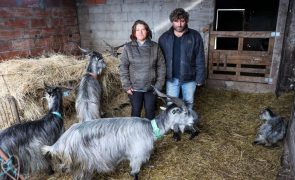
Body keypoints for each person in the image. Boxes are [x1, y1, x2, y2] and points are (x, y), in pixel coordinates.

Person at [158, 8, 205, 110]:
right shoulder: (164, 38)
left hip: (189, 78)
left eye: (182, 21)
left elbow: (200, 58)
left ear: (186, 21)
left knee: (188, 103)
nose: (179, 24)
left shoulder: (195, 36)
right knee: (171, 104)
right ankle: (173, 125)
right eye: (176, 21)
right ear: (172, 21)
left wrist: (200, 78)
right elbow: (160, 61)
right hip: (171, 78)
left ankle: (186, 125)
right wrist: (160, 78)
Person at [119, 20, 166, 120]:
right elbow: (123, 67)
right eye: (137, 30)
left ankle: (151, 133)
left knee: (150, 111)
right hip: (135, 88)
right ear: (134, 33)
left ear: (147, 31)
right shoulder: (128, 47)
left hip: (151, 88)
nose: (140, 32)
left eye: (143, 29)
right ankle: (134, 133)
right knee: (136, 111)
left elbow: (161, 67)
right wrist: (126, 85)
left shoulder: (155, 47)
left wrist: (158, 86)